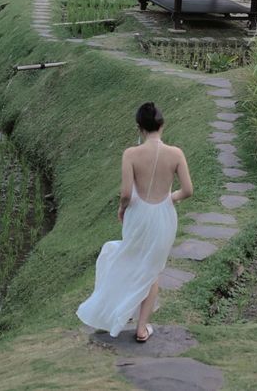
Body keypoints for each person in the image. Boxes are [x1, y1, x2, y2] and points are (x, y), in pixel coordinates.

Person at [76, 101, 193, 342]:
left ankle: (121, 313)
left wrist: (121, 209)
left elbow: (127, 194)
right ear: (162, 125)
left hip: (138, 216)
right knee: (152, 270)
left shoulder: (131, 154)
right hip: (163, 217)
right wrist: (170, 198)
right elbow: (188, 190)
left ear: (139, 127)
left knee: (134, 262)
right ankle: (141, 327)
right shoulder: (176, 154)